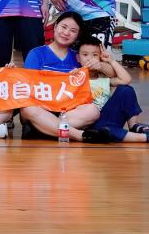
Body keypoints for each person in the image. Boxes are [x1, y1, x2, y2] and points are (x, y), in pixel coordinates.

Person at [19, 11, 100, 139]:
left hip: (68, 110)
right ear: (55, 26)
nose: (66, 33)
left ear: (78, 35)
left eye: (73, 30)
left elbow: (110, 76)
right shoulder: (36, 54)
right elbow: (28, 87)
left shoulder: (78, 57)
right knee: (28, 108)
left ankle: (44, 129)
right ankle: (79, 135)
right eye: (64, 27)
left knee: (93, 111)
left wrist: (103, 64)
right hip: (41, 108)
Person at [75, 36, 149, 144]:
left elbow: (126, 80)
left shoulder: (104, 78)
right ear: (78, 57)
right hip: (90, 123)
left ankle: (133, 125)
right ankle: (146, 138)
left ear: (100, 57)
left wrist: (111, 60)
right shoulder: (76, 78)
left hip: (108, 116)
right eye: (85, 55)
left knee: (126, 90)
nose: (90, 59)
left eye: (95, 55)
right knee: (103, 131)